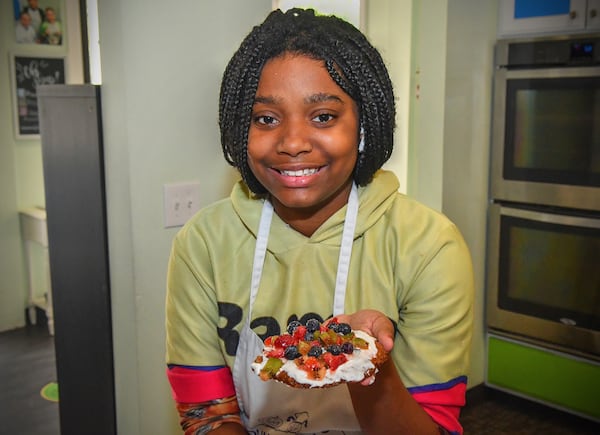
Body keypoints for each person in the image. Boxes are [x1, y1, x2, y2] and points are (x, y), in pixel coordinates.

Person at [165, 8, 474, 435]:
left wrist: (365, 366)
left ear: (364, 127)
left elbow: (434, 428)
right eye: (266, 119)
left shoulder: (428, 245)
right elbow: (209, 415)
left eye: (324, 116)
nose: (292, 143)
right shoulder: (202, 244)